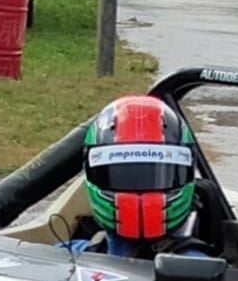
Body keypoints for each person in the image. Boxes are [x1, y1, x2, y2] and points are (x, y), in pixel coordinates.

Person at [72, 95, 207, 259]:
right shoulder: (70, 253)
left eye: (152, 175)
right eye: (124, 175)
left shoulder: (200, 265)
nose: (139, 191)